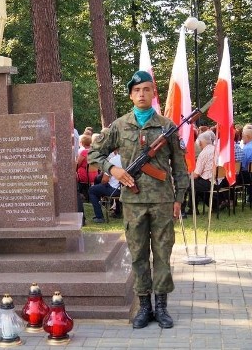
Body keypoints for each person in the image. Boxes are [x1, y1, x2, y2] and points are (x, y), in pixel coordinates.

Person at [88, 70, 189, 329]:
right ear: (131, 95)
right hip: (133, 202)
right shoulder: (120, 126)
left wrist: (179, 198)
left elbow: (179, 167)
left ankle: (162, 307)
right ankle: (144, 306)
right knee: (138, 255)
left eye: (146, 89)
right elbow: (94, 153)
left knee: (163, 254)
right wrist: (114, 170)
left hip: (162, 201)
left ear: (153, 93)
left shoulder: (167, 126)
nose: (141, 94)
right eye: (136, 90)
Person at [88, 151, 122, 223]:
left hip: (114, 190)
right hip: (128, 189)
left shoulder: (113, 160)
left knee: (92, 190)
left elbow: (104, 180)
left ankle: (99, 216)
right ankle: (117, 212)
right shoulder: (131, 158)